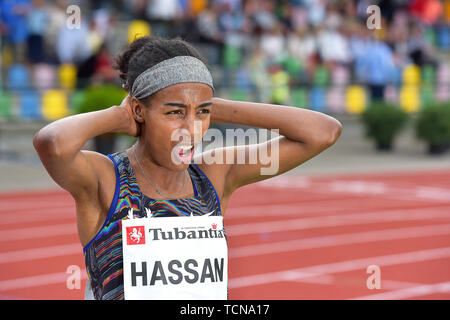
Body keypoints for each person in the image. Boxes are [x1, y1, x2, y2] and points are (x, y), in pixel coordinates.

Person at [33, 35, 342, 300]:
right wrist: (120, 115)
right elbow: (52, 143)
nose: (191, 129)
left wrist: (206, 102)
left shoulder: (213, 174)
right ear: (138, 109)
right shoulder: (106, 178)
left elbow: (322, 132)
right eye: (175, 113)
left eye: (202, 114)